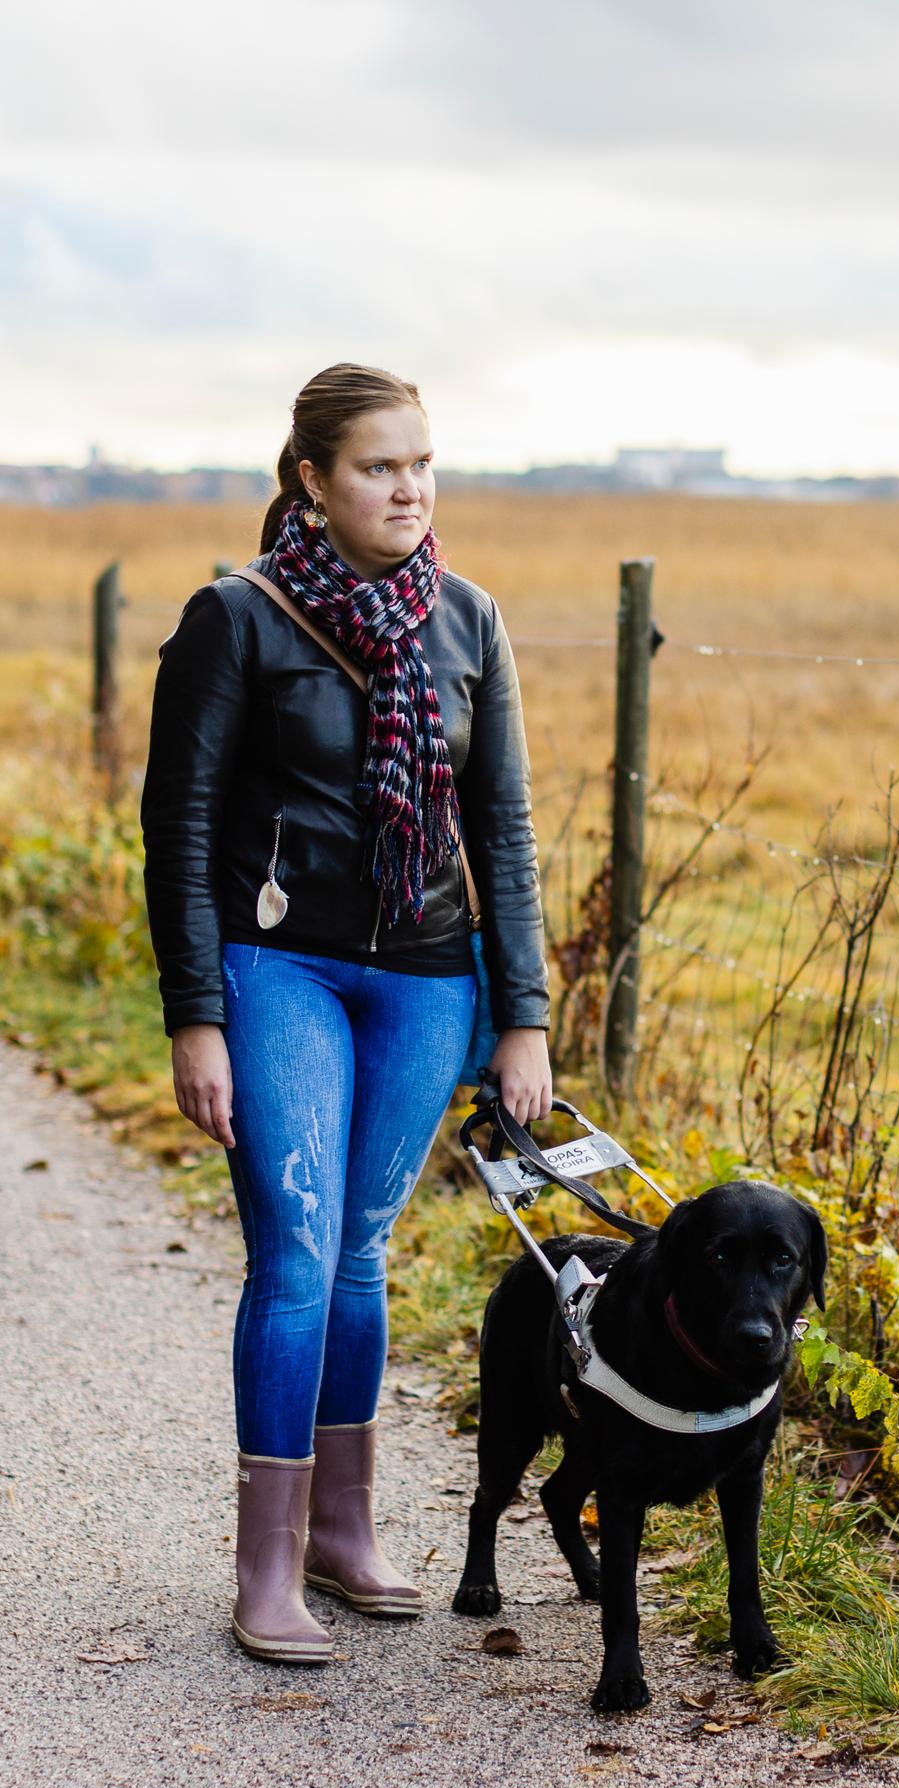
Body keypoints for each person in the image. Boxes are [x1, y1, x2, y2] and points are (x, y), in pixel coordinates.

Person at [139, 362, 554, 1664]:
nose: (410, 488)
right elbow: (181, 831)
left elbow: (503, 826)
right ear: (311, 482)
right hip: (285, 969)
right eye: (380, 466)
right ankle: (265, 1565)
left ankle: (342, 1530)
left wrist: (524, 1014)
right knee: (299, 1252)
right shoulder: (237, 621)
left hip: (430, 978)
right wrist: (196, 1015)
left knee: (363, 1251)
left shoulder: (469, 619)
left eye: (423, 463)